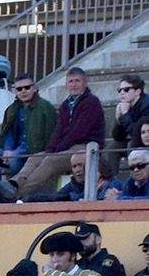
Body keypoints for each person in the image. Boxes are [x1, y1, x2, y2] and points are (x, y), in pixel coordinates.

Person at [10, 68, 105, 198]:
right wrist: (50, 149)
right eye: (70, 81)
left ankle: (18, 194)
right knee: (35, 158)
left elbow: (78, 132)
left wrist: (57, 150)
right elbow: (59, 130)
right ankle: (13, 184)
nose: (74, 84)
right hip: (67, 147)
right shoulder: (66, 104)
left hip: (86, 146)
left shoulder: (91, 102)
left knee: (50, 161)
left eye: (77, 81)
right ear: (66, 84)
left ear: (85, 83)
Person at [0, 75, 57, 180]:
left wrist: (13, 152)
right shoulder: (12, 109)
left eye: (27, 87)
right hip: (14, 150)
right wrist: (7, 150)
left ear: (34, 88)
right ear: (15, 91)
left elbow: (50, 134)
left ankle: (17, 190)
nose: (23, 91)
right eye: (19, 89)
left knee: (14, 158)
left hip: (34, 150)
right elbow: (8, 132)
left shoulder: (45, 108)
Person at [109, 76, 149, 176]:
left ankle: (136, 177)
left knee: (131, 144)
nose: (122, 93)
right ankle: (112, 182)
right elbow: (118, 137)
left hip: (145, 141)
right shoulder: (125, 105)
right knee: (113, 147)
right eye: (120, 90)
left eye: (126, 89)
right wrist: (119, 119)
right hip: (136, 140)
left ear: (137, 91)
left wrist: (125, 114)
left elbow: (140, 135)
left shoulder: (146, 105)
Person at [39, 229, 104, 276]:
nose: (54, 259)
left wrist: (52, 275)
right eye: (51, 255)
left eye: (60, 254)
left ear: (73, 256)